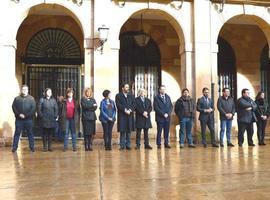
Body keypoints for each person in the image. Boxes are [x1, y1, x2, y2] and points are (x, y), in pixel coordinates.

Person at [11, 85, 36, 152]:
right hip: (19, 120)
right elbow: (14, 107)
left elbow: (33, 109)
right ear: (21, 90)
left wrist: (26, 115)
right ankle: (14, 147)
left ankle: (32, 147)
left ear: (28, 90)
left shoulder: (31, 99)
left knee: (30, 133)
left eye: (25, 89)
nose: (24, 90)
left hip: (28, 120)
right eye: (23, 89)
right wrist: (19, 114)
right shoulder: (17, 98)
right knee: (17, 133)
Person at [115, 83, 135, 150]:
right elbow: (118, 104)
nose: (127, 88)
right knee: (122, 131)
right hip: (122, 115)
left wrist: (130, 110)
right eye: (126, 87)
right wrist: (124, 110)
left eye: (128, 87)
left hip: (129, 115)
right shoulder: (118, 95)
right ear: (122, 88)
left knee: (129, 131)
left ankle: (128, 145)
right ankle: (122, 145)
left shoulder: (131, 95)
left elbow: (133, 104)